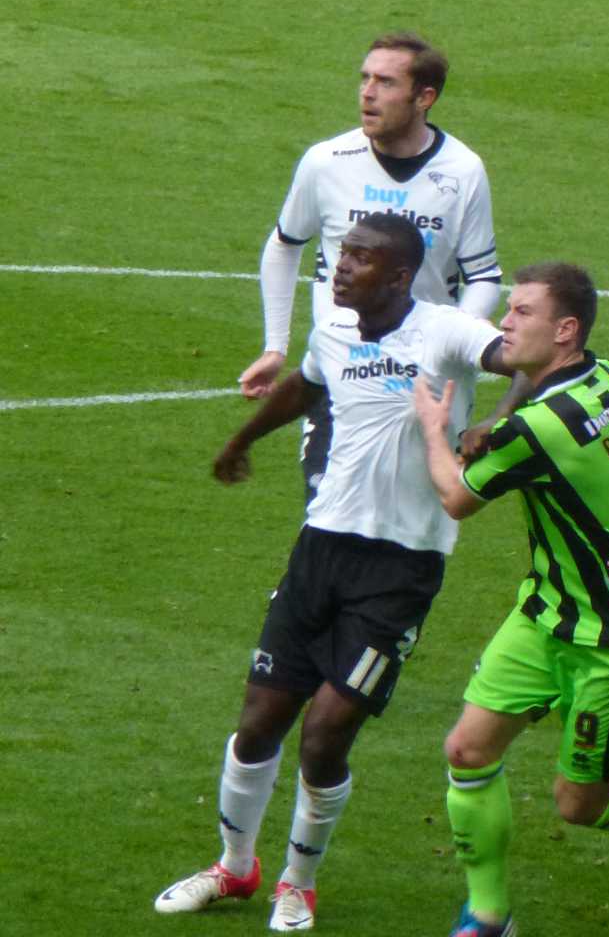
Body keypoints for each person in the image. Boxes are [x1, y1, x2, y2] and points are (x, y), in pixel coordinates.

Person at [154, 213, 514, 931]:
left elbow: (532, 360)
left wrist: (498, 421)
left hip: (403, 567)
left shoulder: (445, 330)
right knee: (258, 723)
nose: (341, 266)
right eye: (340, 253)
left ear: (401, 275)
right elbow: (306, 384)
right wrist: (242, 438)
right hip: (321, 549)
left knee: (325, 734)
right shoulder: (335, 331)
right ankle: (234, 868)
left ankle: (298, 882)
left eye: (359, 257)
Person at [412, 263, 609, 937]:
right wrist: (504, 412)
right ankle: (490, 915)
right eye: (510, 309)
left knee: (580, 804)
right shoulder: (604, 377)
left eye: (522, 313)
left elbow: (456, 498)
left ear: (566, 330)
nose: (506, 323)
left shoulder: (539, 430)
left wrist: (434, 430)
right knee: (468, 751)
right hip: (546, 609)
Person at [238, 31, 502, 497]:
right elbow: (284, 245)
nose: (367, 92)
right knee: (326, 511)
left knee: (413, 525)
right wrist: (275, 346)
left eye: (385, 82)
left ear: (425, 97)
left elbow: (482, 276)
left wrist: (448, 335)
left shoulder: (462, 171)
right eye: (364, 79)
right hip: (343, 367)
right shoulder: (327, 162)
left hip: (424, 381)